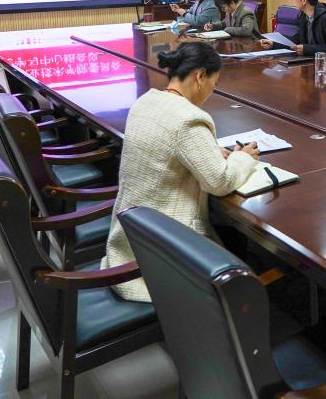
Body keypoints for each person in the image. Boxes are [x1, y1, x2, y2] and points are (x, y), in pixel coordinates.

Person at [101, 42, 260, 302]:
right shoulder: (189, 118)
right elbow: (219, 181)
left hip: (129, 239)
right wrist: (242, 158)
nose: (212, 91)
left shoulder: (146, 101)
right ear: (200, 76)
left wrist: (207, 151)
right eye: (214, 83)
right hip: (164, 254)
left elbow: (167, 149)